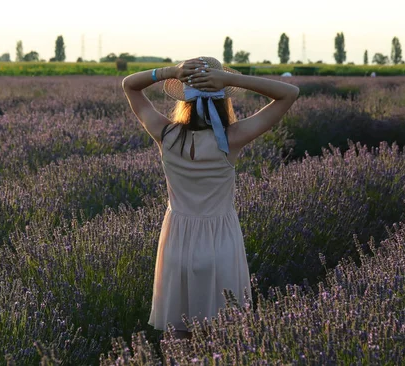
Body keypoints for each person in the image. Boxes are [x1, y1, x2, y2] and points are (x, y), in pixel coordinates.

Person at [121, 56, 299, 341]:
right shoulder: (231, 138)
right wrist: (232, 79)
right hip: (220, 242)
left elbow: (129, 85)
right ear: (222, 98)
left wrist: (171, 71)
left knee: (177, 334)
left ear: (184, 99)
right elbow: (289, 93)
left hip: (176, 242)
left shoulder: (165, 134)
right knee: (219, 336)